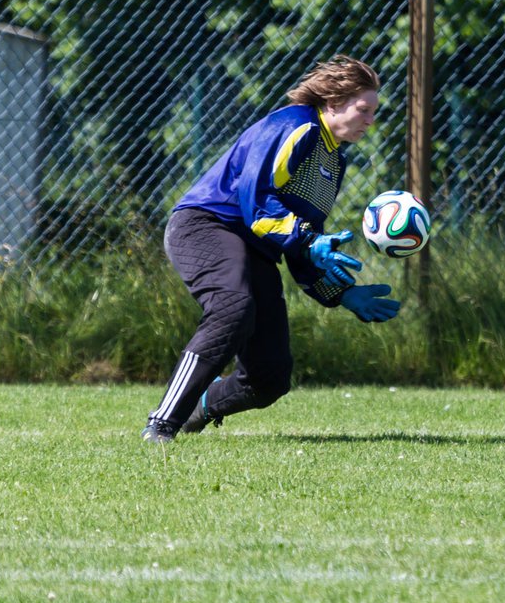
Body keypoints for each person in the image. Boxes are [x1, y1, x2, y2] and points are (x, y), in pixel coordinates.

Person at [140, 54, 401, 443]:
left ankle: (200, 406)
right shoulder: (294, 125)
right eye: (364, 109)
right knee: (233, 307)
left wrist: (340, 292)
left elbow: (301, 241)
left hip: (255, 248)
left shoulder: (333, 158)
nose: (370, 120)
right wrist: (308, 239)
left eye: (374, 112)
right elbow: (256, 200)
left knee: (269, 378)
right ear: (333, 103)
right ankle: (162, 422)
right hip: (206, 226)